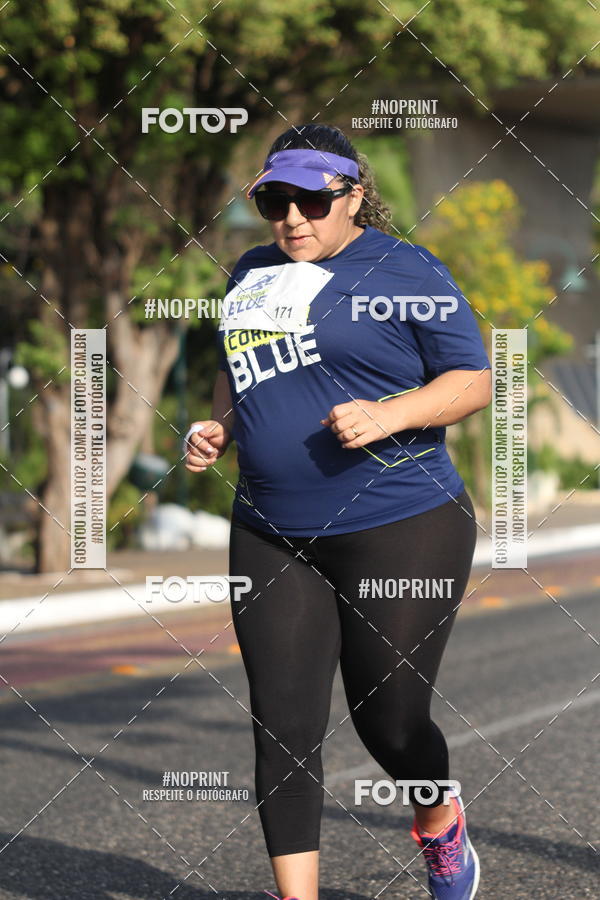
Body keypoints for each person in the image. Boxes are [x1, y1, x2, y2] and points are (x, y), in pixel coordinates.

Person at [184, 123, 490, 900]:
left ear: (353, 195)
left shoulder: (404, 267)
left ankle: (436, 816)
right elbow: (240, 374)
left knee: (389, 721)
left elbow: (473, 378)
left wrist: (391, 415)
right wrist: (223, 425)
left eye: (312, 201)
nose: (293, 218)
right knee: (281, 729)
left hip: (402, 522)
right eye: (275, 201)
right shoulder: (250, 272)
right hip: (270, 528)